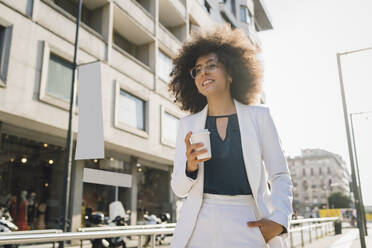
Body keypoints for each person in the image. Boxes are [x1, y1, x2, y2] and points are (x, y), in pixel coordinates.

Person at [168, 25, 293, 248]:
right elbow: (178, 189)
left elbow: (280, 175)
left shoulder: (260, 117)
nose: (203, 73)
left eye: (211, 65)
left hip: (248, 223)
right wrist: (190, 167)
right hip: (198, 226)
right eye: (197, 70)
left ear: (231, 72)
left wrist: (279, 220)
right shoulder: (187, 125)